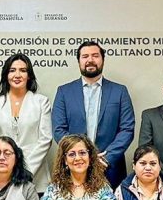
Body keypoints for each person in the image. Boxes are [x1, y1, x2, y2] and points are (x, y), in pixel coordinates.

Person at [52, 41, 135, 188]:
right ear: (79, 61)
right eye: (85, 56)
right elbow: (59, 129)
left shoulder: (119, 91)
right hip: (74, 168)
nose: (90, 60)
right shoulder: (64, 92)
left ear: (103, 59)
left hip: (110, 169)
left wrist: (107, 158)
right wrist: (79, 155)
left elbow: (127, 129)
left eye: (95, 56)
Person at [0, 53, 53, 192]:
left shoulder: (41, 102)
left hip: (35, 176)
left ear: (29, 75)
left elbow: (45, 139)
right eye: (12, 70)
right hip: (2, 177)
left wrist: (26, 171)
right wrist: (4, 170)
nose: (17, 75)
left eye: (23, 70)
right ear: (6, 75)